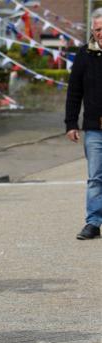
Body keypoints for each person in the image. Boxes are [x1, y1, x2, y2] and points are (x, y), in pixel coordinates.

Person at [65, 7, 102, 240]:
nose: (101, 33)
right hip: (94, 128)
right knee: (96, 176)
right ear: (92, 30)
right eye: (98, 29)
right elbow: (74, 91)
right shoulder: (84, 54)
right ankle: (93, 222)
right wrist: (71, 123)